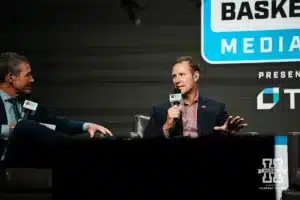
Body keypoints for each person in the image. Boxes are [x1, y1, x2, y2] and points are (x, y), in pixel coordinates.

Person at [0, 52, 113, 163]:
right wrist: (13, 130)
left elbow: (58, 123)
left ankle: (80, 148)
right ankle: (76, 147)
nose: (32, 79)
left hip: (29, 161)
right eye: (27, 75)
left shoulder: (29, 103)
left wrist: (87, 126)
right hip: (4, 159)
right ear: (11, 78)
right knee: (24, 126)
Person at [143, 56, 248, 139]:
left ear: (196, 76)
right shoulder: (160, 110)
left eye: (182, 74)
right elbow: (146, 144)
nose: (177, 80)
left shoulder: (216, 108)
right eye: (174, 76)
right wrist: (167, 126)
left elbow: (227, 143)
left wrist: (228, 134)